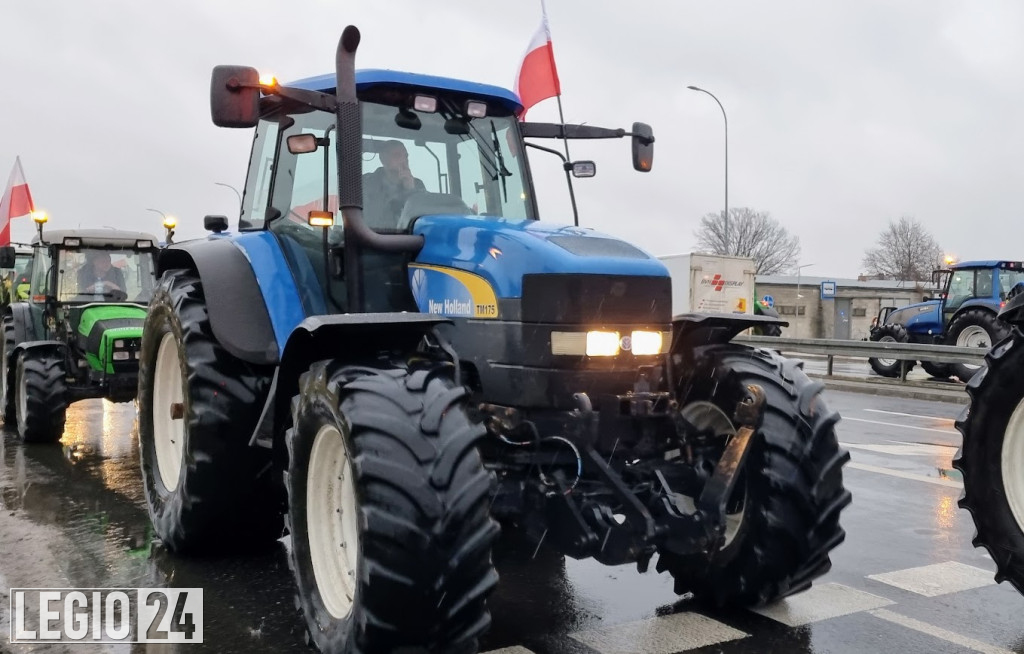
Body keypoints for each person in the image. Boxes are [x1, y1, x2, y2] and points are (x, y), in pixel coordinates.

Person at [362, 140, 425, 229]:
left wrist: (410, 191)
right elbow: (370, 217)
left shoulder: (417, 185)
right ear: (383, 159)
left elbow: (422, 218)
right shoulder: (366, 183)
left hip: (409, 239)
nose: (404, 160)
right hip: (373, 238)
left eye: (406, 156)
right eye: (397, 155)